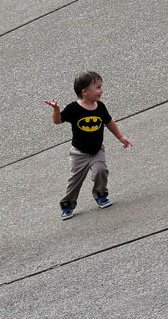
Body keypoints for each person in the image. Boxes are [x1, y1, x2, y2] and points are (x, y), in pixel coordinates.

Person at [45, 71, 132, 220]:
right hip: (79, 153)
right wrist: (56, 110)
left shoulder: (100, 107)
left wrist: (120, 137)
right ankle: (67, 204)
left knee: (101, 170)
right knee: (75, 180)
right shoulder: (74, 108)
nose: (101, 90)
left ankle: (101, 194)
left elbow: (109, 122)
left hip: (97, 150)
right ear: (84, 92)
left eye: (101, 87)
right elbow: (57, 121)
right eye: (97, 87)